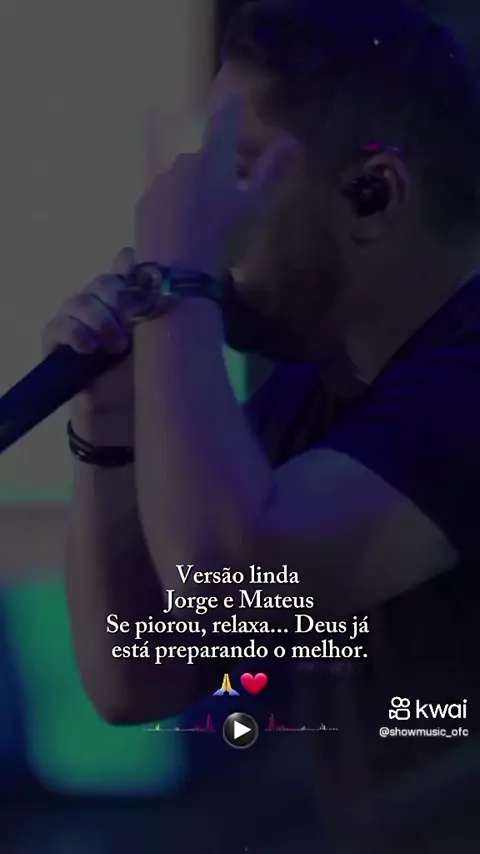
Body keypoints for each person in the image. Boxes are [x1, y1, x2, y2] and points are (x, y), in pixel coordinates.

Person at [44, 0, 480, 850]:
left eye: (236, 178)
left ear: (372, 196)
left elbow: (223, 582)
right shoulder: (314, 389)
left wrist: (180, 278)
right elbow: (139, 676)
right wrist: (110, 421)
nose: (205, 216)